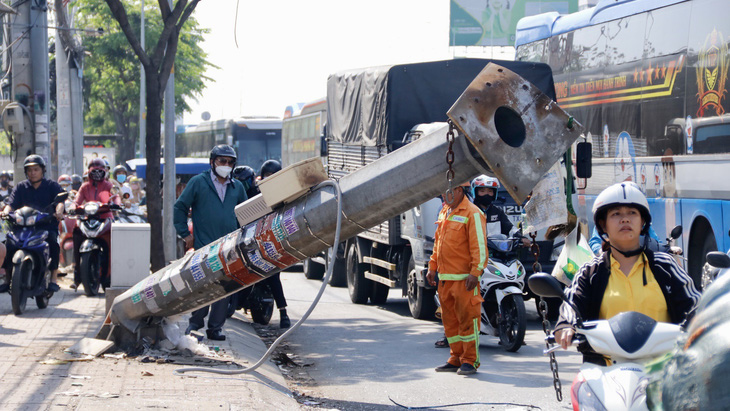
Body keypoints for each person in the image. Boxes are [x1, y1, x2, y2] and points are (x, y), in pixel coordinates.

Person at [553, 182, 700, 363]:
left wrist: (704, 325)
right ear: (602, 225)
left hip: (661, 374)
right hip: (605, 374)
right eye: (616, 214)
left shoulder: (665, 266)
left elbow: (695, 305)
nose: (625, 219)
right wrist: (565, 324)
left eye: (632, 213)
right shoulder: (591, 272)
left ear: (643, 222)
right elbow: (572, 304)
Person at [175, 145, 247, 341]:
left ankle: (215, 328)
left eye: (230, 162)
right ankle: (195, 323)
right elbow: (180, 207)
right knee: (202, 286)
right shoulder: (199, 182)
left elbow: (245, 214)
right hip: (203, 246)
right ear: (212, 162)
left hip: (229, 246)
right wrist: (184, 233)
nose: (226, 165)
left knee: (223, 289)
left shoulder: (237, 187)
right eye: (222, 161)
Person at [426, 181, 488, 376]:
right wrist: (432, 267)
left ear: (459, 190)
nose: (444, 196)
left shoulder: (473, 213)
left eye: (447, 192)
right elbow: (438, 243)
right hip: (445, 279)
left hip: (464, 280)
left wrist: (475, 273)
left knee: (467, 321)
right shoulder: (445, 211)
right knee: (450, 322)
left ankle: (470, 360)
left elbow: (479, 247)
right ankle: (455, 358)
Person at [0, 155, 65, 293]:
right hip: (22, 227)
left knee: (53, 242)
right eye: (29, 170)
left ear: (42, 170)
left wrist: (59, 211)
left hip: (45, 226)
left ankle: (53, 277)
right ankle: (7, 278)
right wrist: (5, 212)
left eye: (36, 169)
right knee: (9, 243)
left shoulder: (51, 186)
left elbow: (60, 201)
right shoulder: (21, 187)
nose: (32, 173)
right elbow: (10, 204)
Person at [72, 158, 121, 289]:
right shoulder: (84, 187)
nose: (97, 174)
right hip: (87, 219)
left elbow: (115, 196)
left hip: (105, 218)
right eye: (94, 172)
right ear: (88, 173)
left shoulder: (109, 185)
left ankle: (110, 275)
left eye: (100, 171)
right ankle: (77, 273)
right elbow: (77, 201)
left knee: (113, 244)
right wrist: (73, 206)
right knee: (76, 232)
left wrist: (116, 204)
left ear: (105, 172)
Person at [254, 159, 291, 328]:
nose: (270, 179)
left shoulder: (285, 195)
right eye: (268, 176)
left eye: (274, 176)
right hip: (253, 239)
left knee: (273, 276)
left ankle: (283, 312)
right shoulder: (253, 193)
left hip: (274, 240)